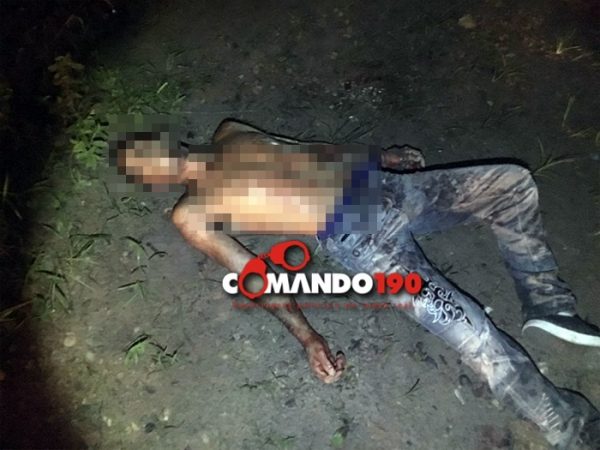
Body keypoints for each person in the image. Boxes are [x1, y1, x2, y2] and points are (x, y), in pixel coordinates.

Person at [110, 118, 600, 449]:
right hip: (365, 243)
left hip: (387, 190)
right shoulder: (192, 213)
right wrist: (307, 336)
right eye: (141, 167)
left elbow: (306, 152)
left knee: (512, 183)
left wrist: (380, 157)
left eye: (146, 148)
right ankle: (570, 427)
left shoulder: (229, 131)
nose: (154, 160)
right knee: (474, 334)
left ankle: (547, 303)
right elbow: (256, 274)